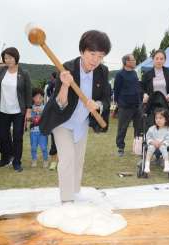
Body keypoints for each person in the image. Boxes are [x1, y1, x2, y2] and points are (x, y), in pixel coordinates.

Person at [37, 30, 111, 204]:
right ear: (82, 51)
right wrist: (64, 85)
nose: (95, 60)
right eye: (92, 54)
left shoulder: (102, 71)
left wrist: (98, 105)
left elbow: (106, 99)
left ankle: (75, 191)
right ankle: (67, 199)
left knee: (79, 159)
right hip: (62, 121)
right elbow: (59, 104)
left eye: (100, 56)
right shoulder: (67, 68)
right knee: (68, 156)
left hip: (81, 122)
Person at [0, 47, 32, 172]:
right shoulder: (2, 70)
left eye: (10, 58)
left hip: (18, 110)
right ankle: (4, 159)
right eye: (5, 58)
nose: (8, 60)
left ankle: (17, 162)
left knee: (17, 137)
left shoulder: (24, 73)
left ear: (16, 58)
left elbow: (28, 93)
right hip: (3, 109)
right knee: (2, 136)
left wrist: (28, 110)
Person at [139, 50, 169, 130]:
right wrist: (144, 95)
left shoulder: (168, 73)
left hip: (165, 106)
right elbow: (141, 88)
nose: (159, 61)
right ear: (153, 59)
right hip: (151, 106)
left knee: (165, 129)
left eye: (161, 59)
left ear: (165, 60)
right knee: (152, 128)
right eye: (157, 58)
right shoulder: (147, 74)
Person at [114, 54, 141, 157]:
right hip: (125, 105)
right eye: (133, 60)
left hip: (137, 104)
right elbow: (116, 90)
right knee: (122, 127)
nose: (135, 61)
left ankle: (137, 147)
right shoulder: (120, 74)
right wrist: (119, 102)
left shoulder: (134, 73)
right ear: (127, 62)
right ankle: (121, 148)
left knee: (139, 127)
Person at [144, 108, 169, 173]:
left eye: (160, 118)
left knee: (163, 148)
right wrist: (152, 142)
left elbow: (168, 139)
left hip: (163, 145)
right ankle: (146, 166)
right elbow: (149, 137)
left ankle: (166, 165)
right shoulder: (152, 129)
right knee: (150, 148)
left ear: (166, 119)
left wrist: (162, 144)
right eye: (156, 118)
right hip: (153, 144)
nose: (158, 120)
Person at [30, 88, 48, 168]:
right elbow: (27, 118)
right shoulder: (30, 108)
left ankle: (45, 160)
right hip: (33, 132)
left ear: (43, 98)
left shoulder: (45, 107)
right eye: (36, 98)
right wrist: (31, 111)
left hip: (43, 131)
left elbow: (48, 117)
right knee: (33, 147)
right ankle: (34, 160)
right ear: (32, 98)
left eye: (40, 98)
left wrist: (42, 112)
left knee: (44, 147)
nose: (38, 100)